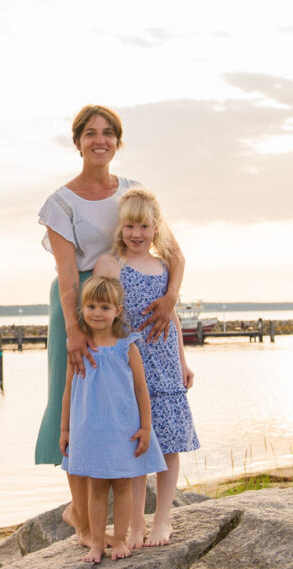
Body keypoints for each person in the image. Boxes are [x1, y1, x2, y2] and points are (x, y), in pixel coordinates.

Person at [36, 105, 185, 546]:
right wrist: (75, 328)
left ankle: (97, 513)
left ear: (118, 142)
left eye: (108, 133)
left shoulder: (134, 191)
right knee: (78, 399)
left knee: (123, 403)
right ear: (77, 140)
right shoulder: (60, 203)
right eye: (90, 133)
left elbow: (173, 251)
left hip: (133, 298)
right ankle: (83, 522)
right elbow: (67, 276)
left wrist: (170, 300)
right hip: (81, 303)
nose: (99, 140)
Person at [93, 188, 200, 548]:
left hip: (166, 358)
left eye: (143, 226)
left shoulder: (164, 265)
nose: (136, 234)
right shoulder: (110, 265)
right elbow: (102, 315)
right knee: (137, 441)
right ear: (120, 228)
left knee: (168, 444)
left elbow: (171, 319)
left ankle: (163, 520)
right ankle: (136, 521)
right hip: (129, 363)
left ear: (155, 228)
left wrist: (183, 362)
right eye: (129, 226)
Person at [59, 276, 166, 562]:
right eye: (91, 306)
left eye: (105, 307)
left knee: (122, 486)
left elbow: (142, 389)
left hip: (123, 429)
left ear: (118, 310)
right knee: (95, 488)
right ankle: (96, 543)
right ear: (82, 309)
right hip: (89, 430)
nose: (97, 312)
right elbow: (68, 390)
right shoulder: (80, 349)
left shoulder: (126, 347)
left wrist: (145, 427)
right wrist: (65, 429)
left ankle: (119, 540)